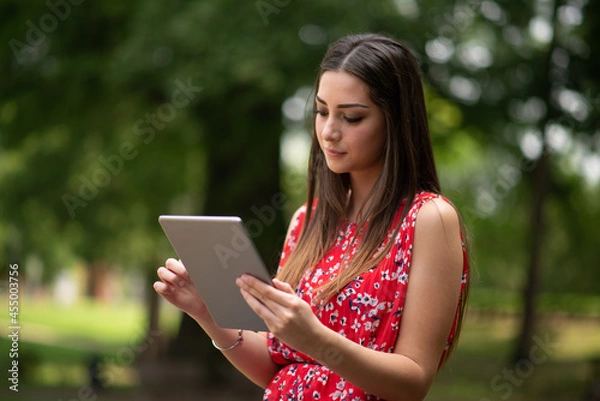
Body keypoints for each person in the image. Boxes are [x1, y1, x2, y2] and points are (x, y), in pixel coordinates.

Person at [154, 32, 470, 401]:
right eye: (321, 112)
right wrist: (207, 312)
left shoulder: (429, 218)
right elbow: (277, 369)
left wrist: (316, 339)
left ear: (395, 121)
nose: (329, 132)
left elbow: (414, 380)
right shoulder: (309, 220)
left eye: (352, 117)